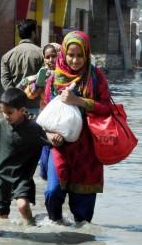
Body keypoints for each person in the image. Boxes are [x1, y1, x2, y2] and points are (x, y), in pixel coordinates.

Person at [44, 31, 112, 224]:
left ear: (87, 54)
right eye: (71, 55)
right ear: (63, 54)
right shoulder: (53, 80)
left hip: (88, 147)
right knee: (52, 191)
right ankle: (55, 226)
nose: (75, 60)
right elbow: (44, 114)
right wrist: (49, 134)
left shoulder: (96, 76)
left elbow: (107, 108)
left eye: (80, 55)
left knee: (83, 213)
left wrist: (79, 101)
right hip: (60, 146)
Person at [0, 88, 49, 224]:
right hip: (1, 176)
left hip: (22, 177)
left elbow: (49, 143)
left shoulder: (34, 129)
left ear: (22, 110)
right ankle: (7, 239)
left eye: (10, 113)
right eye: (3, 112)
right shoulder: (1, 126)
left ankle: (31, 226)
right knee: (2, 214)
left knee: (22, 205)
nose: (6, 116)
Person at [18, 42, 61, 180]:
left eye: (54, 56)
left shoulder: (66, 76)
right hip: (45, 121)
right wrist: (37, 86)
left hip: (61, 121)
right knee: (44, 159)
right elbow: (28, 94)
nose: (51, 60)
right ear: (43, 58)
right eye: (47, 57)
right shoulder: (39, 76)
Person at [1, 19, 44, 116]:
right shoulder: (42, 54)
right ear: (33, 33)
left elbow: (5, 80)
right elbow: (44, 79)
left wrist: (15, 96)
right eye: (37, 31)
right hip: (35, 106)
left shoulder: (7, 56)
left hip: (14, 107)